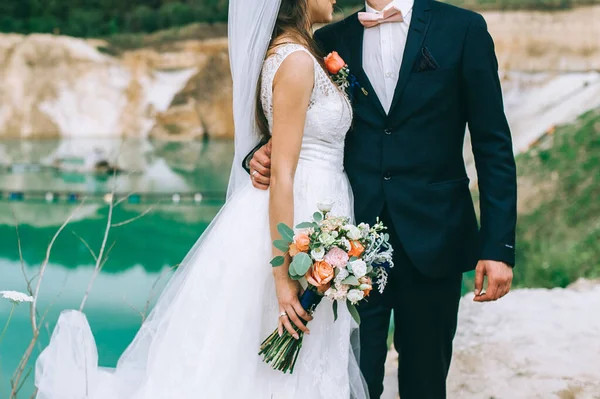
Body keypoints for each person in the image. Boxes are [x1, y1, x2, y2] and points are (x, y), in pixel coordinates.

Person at [34, 0, 369, 398]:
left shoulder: (297, 53)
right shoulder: (295, 61)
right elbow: (282, 175)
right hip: (292, 223)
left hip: (311, 215)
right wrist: (282, 277)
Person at [247, 0, 518, 398]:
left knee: (425, 384)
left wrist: (497, 246)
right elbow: (291, 122)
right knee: (353, 383)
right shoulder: (327, 40)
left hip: (435, 238)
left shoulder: (463, 28)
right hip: (347, 248)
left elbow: (492, 142)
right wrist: (254, 155)